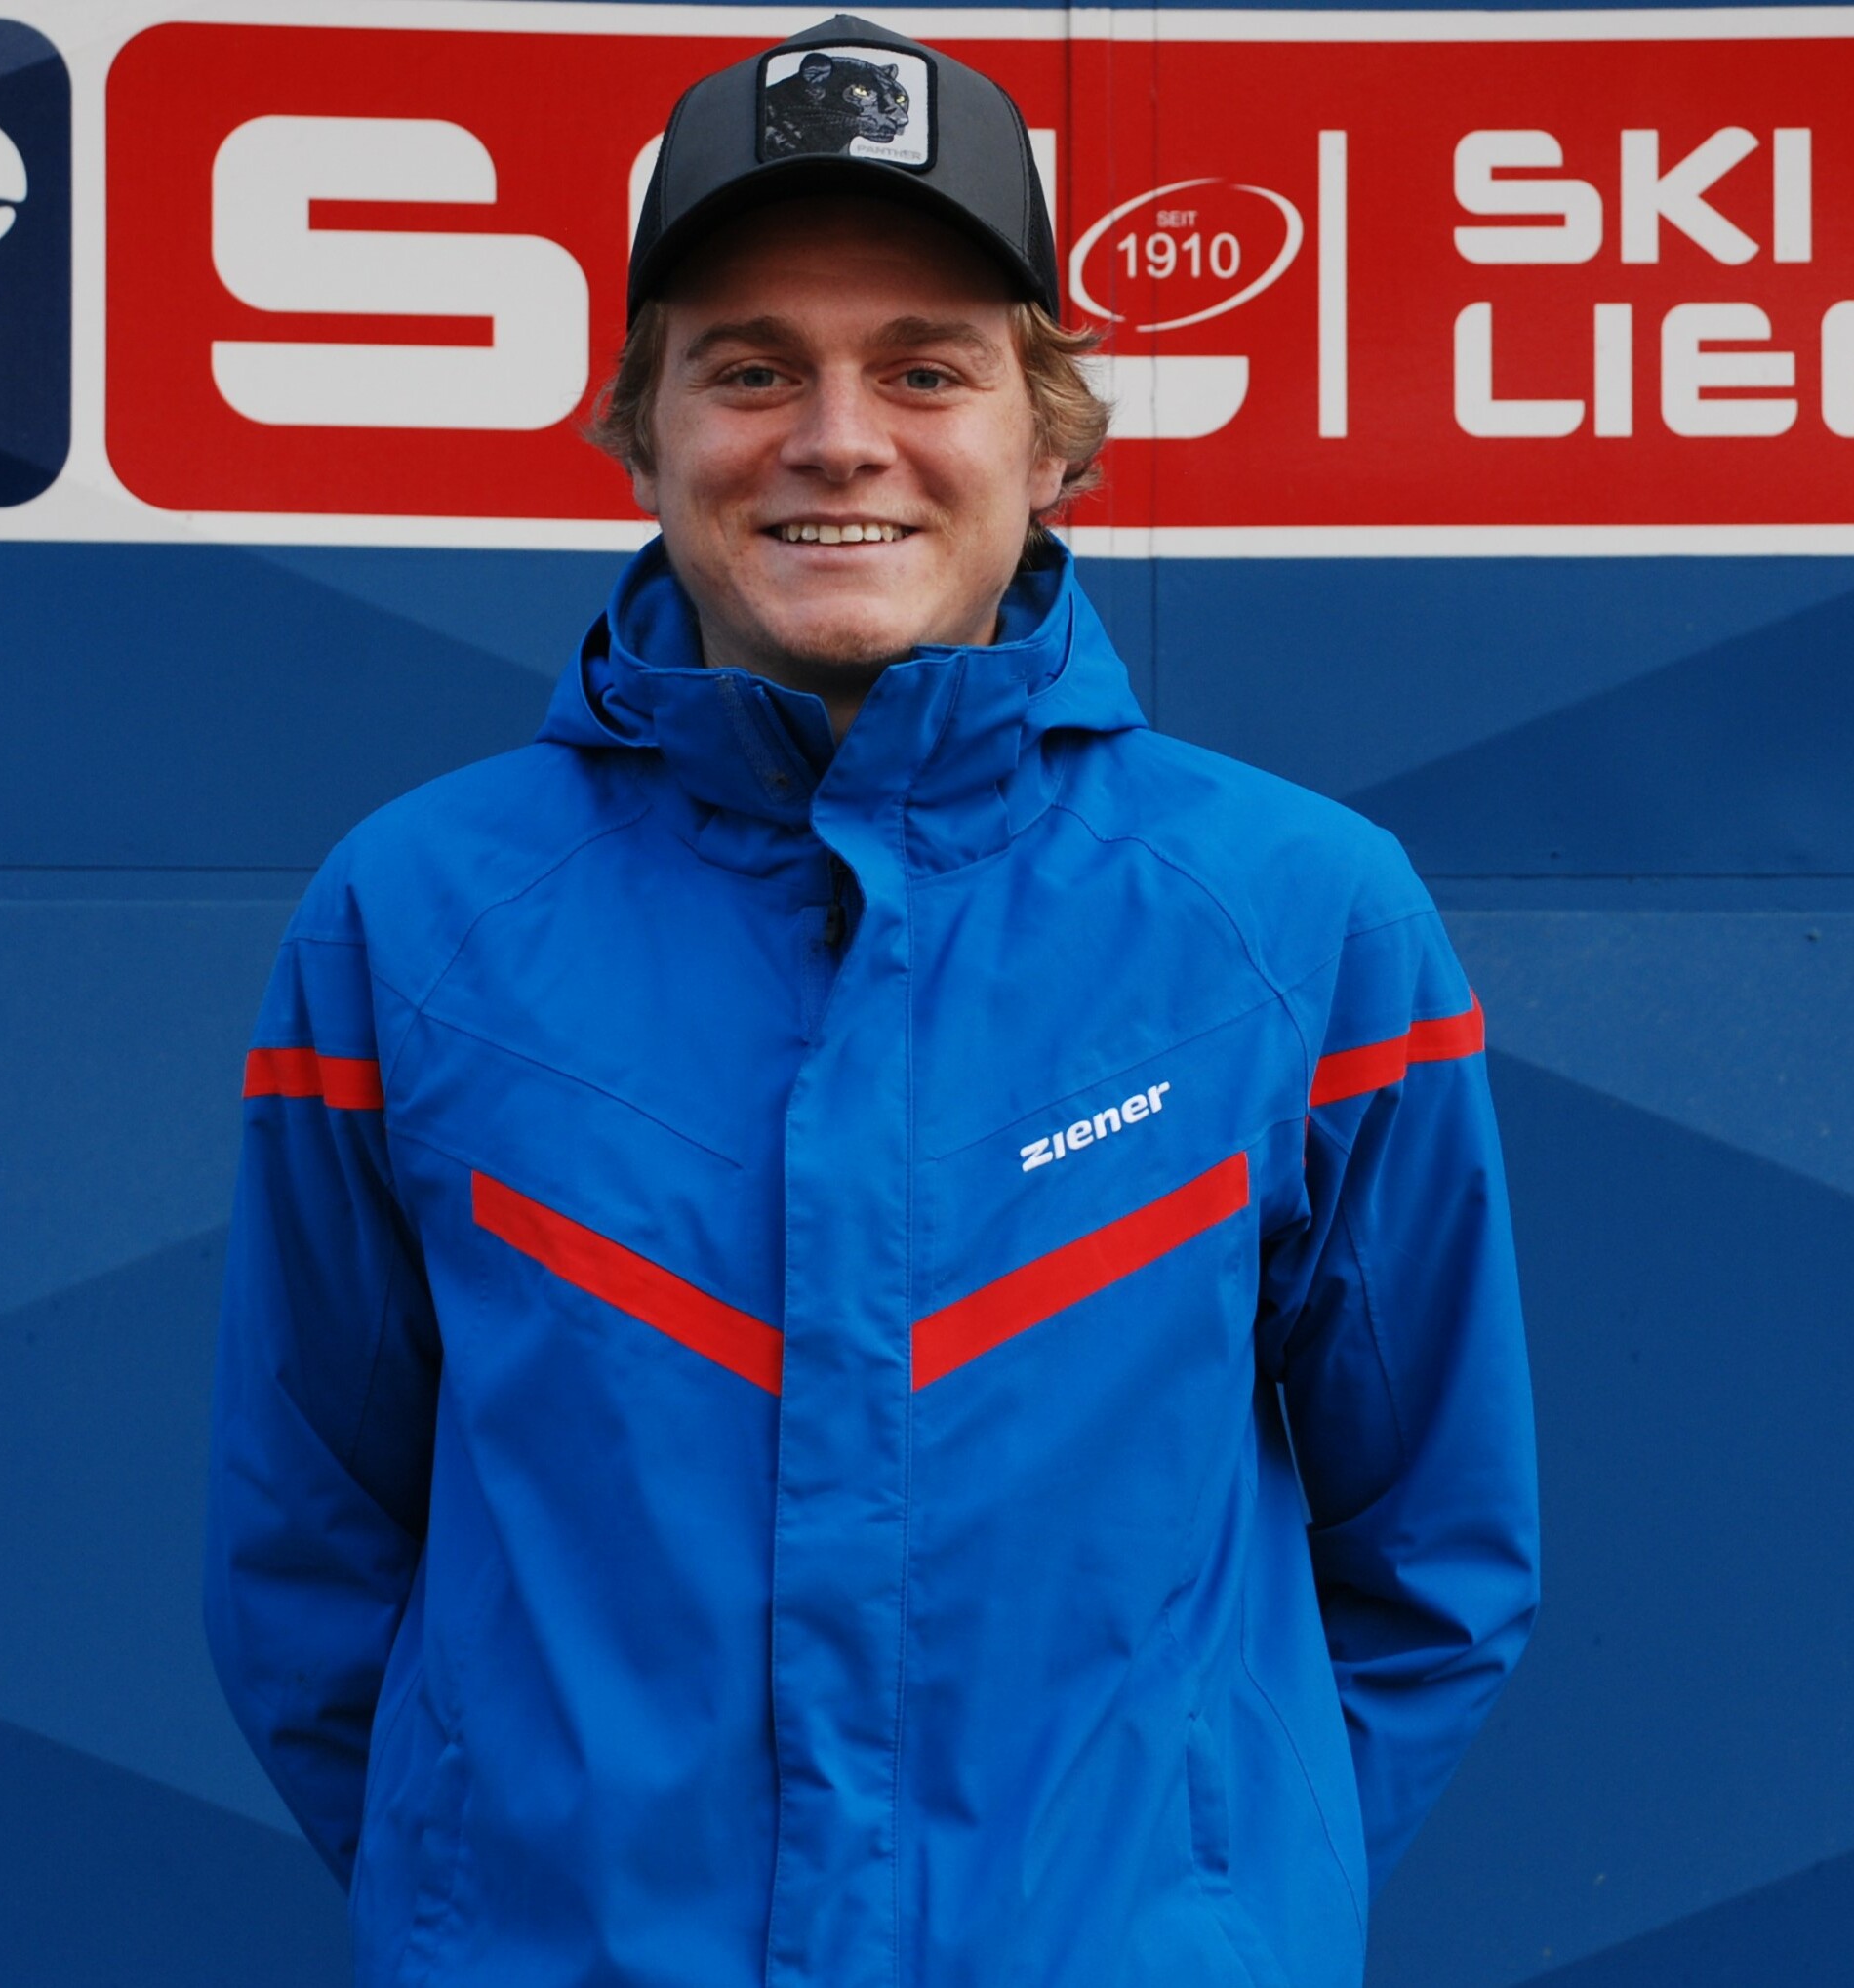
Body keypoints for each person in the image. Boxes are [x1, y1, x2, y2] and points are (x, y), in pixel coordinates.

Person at [205, 17, 1539, 1986]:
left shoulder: (1296, 914)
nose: (839, 437)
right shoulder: (411, 920)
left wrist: (1212, 1911)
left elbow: (1439, 1553)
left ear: (1048, 435)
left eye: (927, 367)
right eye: (752, 368)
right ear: (646, 429)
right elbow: (306, 1561)